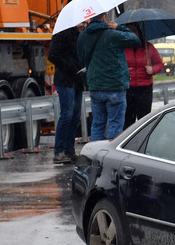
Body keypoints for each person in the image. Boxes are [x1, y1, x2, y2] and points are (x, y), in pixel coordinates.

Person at [78, 12, 140, 141]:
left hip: (95, 86)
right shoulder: (113, 35)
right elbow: (135, 40)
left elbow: (81, 58)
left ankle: (94, 155)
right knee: (115, 125)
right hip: (115, 85)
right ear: (104, 17)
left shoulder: (83, 36)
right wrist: (119, 27)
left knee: (97, 124)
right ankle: (109, 157)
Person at [48, 19, 87, 164]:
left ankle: (69, 150)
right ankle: (59, 151)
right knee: (67, 114)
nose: (84, 25)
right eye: (82, 22)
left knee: (75, 116)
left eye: (85, 22)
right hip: (65, 80)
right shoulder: (62, 34)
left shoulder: (80, 35)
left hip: (77, 80)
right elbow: (53, 55)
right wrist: (72, 67)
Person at [123, 23, 163, 128]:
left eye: (134, 31)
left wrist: (152, 69)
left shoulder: (148, 47)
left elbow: (159, 64)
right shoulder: (123, 48)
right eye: (129, 31)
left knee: (144, 120)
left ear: (139, 33)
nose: (132, 34)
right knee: (128, 121)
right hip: (128, 87)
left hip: (144, 88)